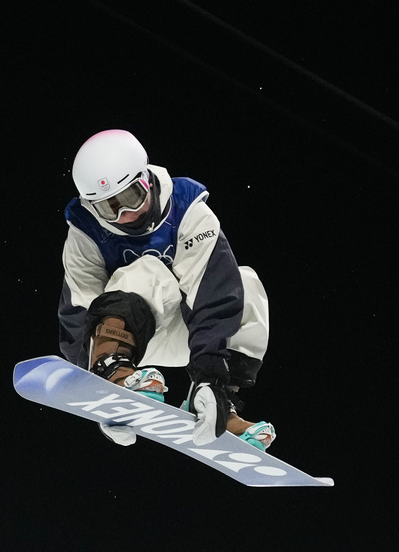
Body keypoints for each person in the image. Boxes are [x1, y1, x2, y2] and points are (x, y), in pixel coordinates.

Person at [58, 129, 276, 450]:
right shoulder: (86, 233)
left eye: (131, 197)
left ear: (146, 179)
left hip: (195, 336)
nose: (124, 215)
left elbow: (212, 294)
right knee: (147, 271)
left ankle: (215, 402)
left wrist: (210, 377)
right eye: (108, 208)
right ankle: (114, 371)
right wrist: (94, 388)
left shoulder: (188, 210)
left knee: (245, 284)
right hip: (128, 337)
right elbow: (80, 311)